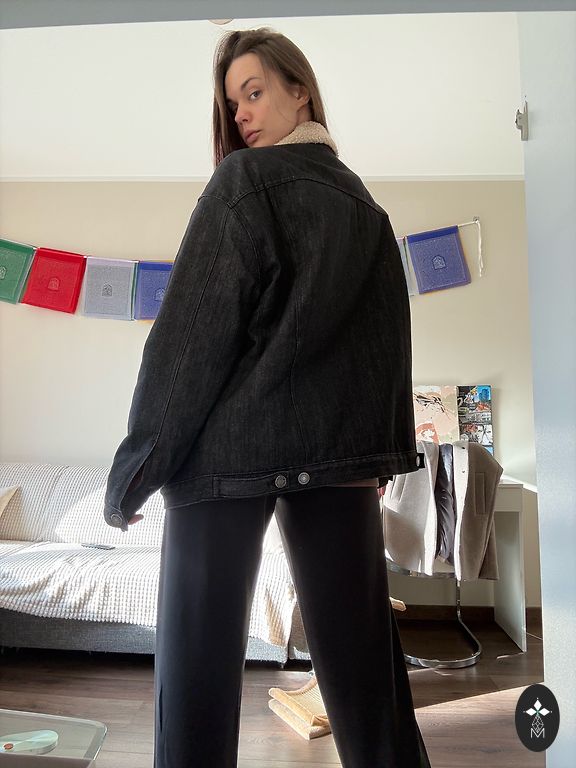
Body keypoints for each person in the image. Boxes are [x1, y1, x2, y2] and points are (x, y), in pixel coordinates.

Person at [104, 27, 431, 768]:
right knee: (367, 676)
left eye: (253, 92)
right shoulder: (365, 207)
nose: (242, 115)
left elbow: (188, 341)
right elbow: (385, 342)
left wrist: (134, 473)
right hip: (336, 457)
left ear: (300, 89)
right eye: (233, 103)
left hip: (224, 458)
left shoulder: (242, 184)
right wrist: (376, 457)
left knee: (194, 672)